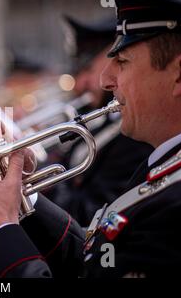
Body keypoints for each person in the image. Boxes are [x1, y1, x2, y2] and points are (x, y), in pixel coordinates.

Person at [0, 0, 181, 277]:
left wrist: (0, 231)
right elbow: (95, 261)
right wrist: (20, 194)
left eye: (122, 61)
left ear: (180, 74)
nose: (104, 81)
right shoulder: (167, 162)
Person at [44, 15, 153, 226]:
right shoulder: (103, 117)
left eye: (121, 62)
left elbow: (95, 218)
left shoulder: (137, 130)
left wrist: (34, 193)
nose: (79, 83)